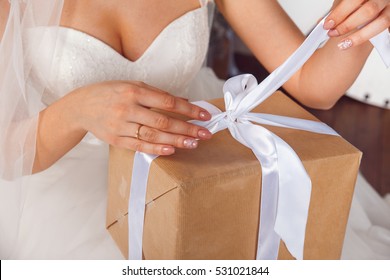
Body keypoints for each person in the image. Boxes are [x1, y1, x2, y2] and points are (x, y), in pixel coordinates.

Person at [0, 0, 389, 259]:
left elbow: (312, 83)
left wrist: (361, 24)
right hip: (59, 172)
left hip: (194, 155)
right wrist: (76, 112)